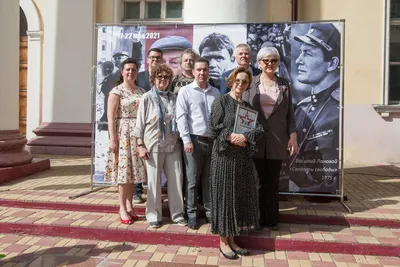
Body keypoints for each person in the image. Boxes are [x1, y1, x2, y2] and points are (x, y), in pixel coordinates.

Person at [209, 67, 264, 259]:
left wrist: (245, 137)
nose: (241, 84)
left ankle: (232, 240)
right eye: (238, 80)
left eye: (245, 82)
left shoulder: (248, 107)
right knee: (225, 198)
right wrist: (232, 137)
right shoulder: (221, 101)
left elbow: (258, 129)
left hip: (241, 159)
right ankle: (223, 242)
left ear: (249, 85)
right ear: (231, 81)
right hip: (224, 157)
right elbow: (214, 127)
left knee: (236, 199)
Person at [242, 47, 298, 230]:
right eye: (266, 60)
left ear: (278, 62)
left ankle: (272, 219)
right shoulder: (251, 83)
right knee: (257, 181)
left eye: (273, 60)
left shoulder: (284, 84)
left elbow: (289, 113)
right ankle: (256, 218)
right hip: (255, 139)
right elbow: (243, 111)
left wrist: (293, 135)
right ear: (258, 63)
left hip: (277, 140)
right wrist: (243, 135)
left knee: (273, 181)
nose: (269, 64)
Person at [289, 23, 340, 193]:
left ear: (332, 63)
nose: (298, 60)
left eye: (308, 53)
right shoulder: (301, 108)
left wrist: (298, 191)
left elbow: (335, 177)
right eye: (300, 52)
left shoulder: (339, 110)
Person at [134, 64, 187, 228]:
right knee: (153, 182)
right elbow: (139, 123)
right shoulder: (147, 97)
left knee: (176, 180)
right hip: (153, 144)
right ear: (154, 79)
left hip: (173, 145)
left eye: (166, 77)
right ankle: (153, 215)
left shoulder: (174, 97)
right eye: (160, 77)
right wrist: (140, 145)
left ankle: (177, 214)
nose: (163, 80)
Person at [176, 57, 220, 229]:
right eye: (199, 69)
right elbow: (181, 117)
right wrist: (186, 139)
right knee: (192, 181)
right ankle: (192, 214)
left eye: (205, 69)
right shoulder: (185, 91)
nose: (202, 72)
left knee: (209, 180)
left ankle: (210, 213)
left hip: (212, 142)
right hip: (193, 141)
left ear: (208, 71)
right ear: (193, 71)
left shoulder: (215, 93)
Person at [104, 58, 147, 225]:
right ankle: (122, 207)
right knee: (123, 173)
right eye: (127, 69)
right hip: (123, 134)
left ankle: (130, 206)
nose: (130, 72)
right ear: (122, 72)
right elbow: (111, 117)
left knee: (132, 173)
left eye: (134, 69)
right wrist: (113, 139)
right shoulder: (116, 92)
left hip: (137, 134)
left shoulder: (141, 91)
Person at [135, 48, 163, 204]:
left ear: (161, 60)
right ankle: (137, 190)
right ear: (147, 60)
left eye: (158, 58)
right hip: (141, 121)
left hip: (157, 126)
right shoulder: (139, 77)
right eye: (152, 57)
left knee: (155, 159)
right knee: (139, 157)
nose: (154, 60)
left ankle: (157, 190)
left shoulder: (164, 76)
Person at [98, 51, 130, 131]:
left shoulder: (129, 72)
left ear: (127, 59)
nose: (116, 60)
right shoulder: (112, 73)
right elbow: (105, 91)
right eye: (115, 58)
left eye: (119, 58)